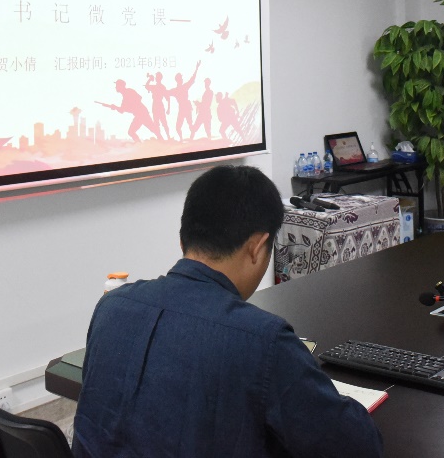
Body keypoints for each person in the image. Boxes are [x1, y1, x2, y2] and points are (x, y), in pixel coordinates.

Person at [72, 165, 382, 458]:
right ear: (257, 247)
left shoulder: (111, 306)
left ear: (183, 241)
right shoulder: (263, 339)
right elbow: (357, 446)